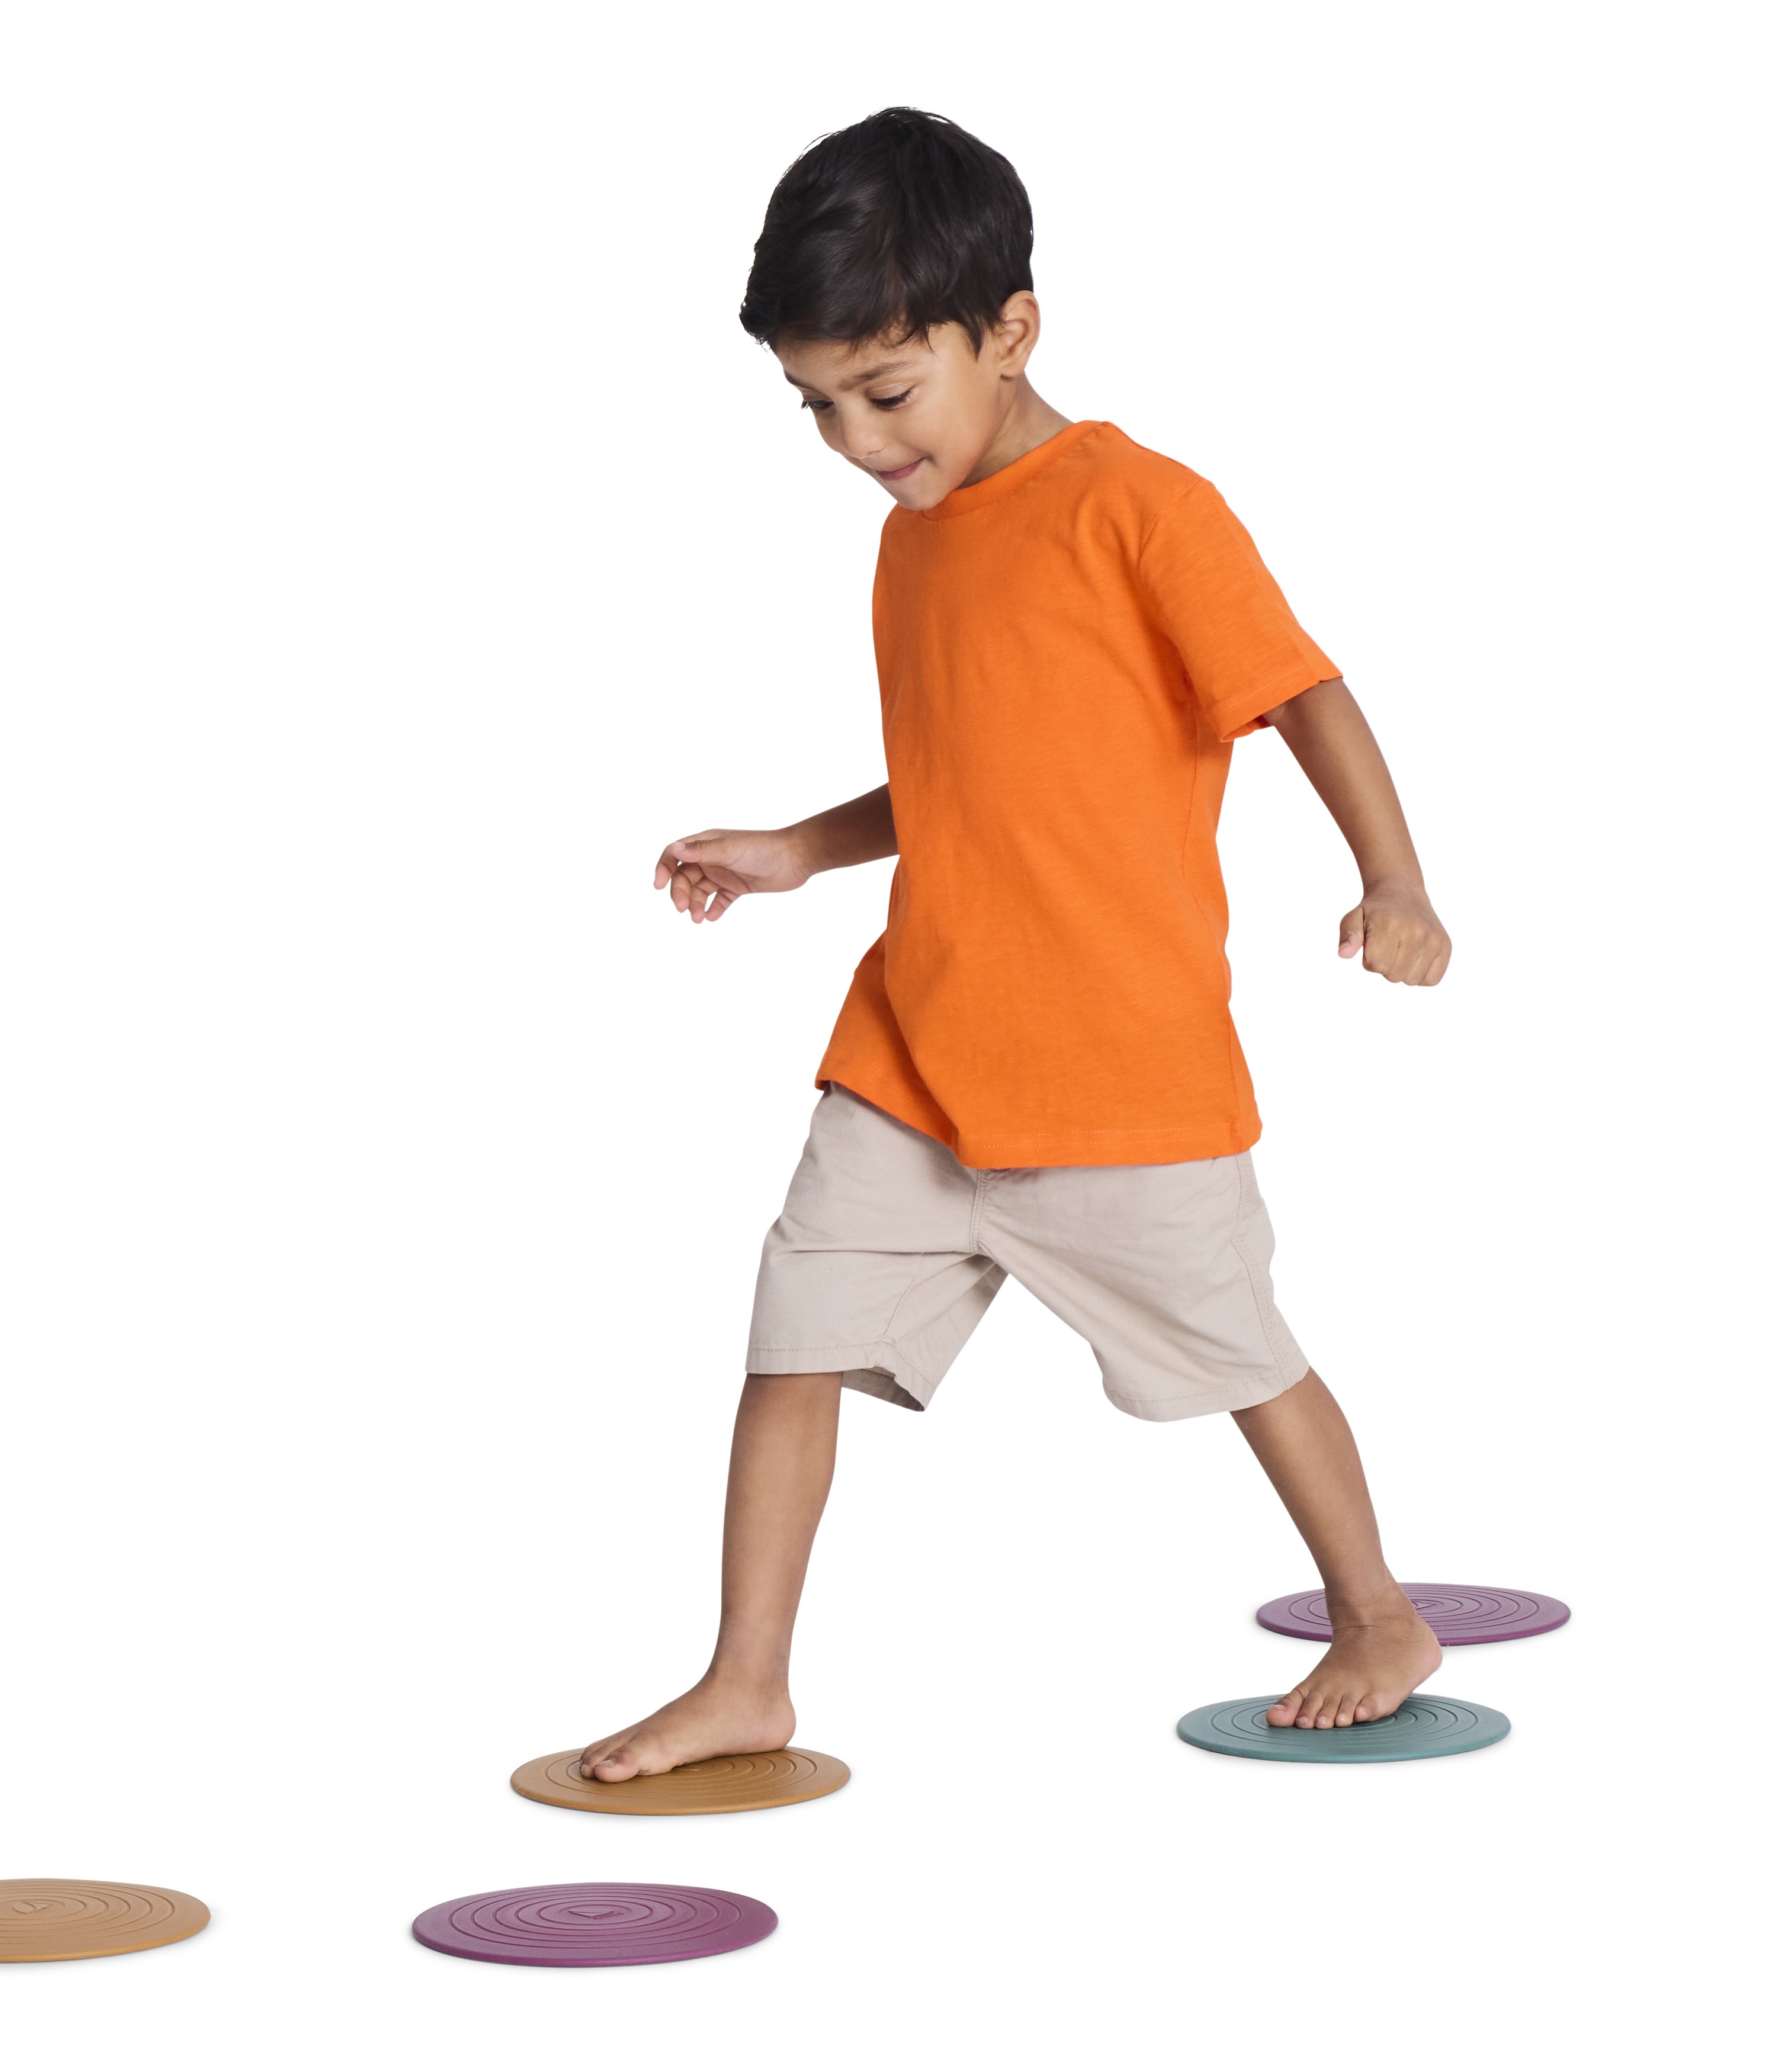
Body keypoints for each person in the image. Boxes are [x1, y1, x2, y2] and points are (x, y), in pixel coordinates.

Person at [586, 108, 1453, 1781]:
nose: (854, 443)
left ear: (1011, 332)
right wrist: (800, 851)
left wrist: (1394, 883)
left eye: (883, 392)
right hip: (917, 1048)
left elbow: (1301, 691)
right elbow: (959, 773)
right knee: (792, 1335)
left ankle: (1376, 1613)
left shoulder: (1140, 507)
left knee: (1243, 1353)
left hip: (1114, 1064)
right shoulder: (911, 544)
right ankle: (746, 1679)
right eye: (816, 407)